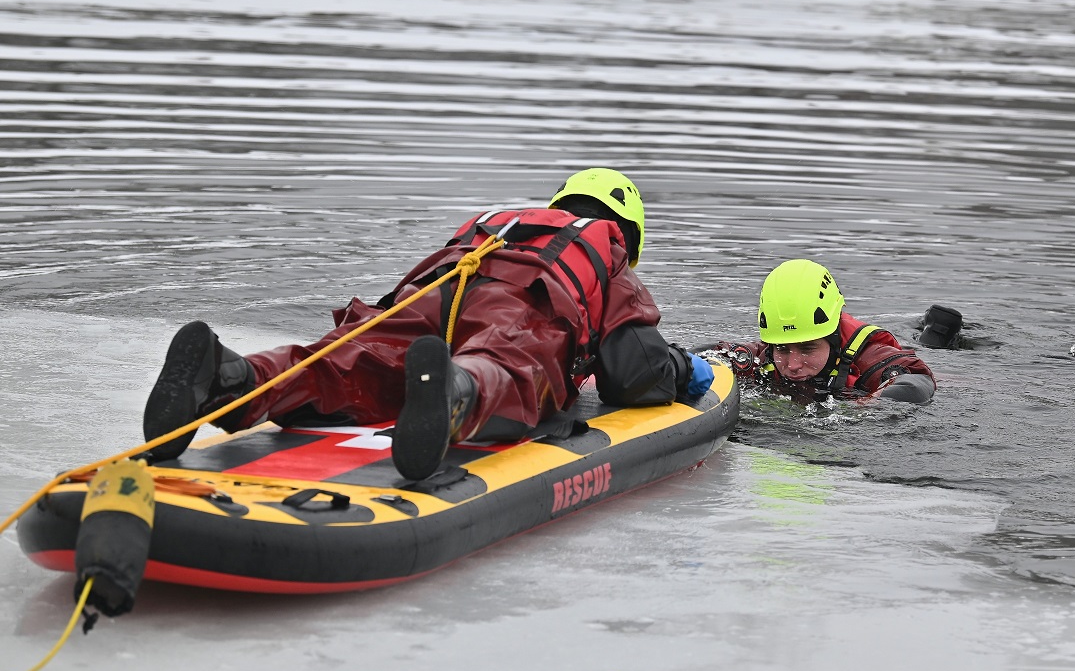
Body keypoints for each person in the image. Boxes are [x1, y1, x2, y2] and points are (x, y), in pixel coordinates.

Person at [142, 168, 715, 480]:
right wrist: (682, 370)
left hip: (433, 296)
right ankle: (456, 395)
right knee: (508, 369)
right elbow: (633, 371)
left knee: (346, 361)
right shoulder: (603, 249)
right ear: (629, 234)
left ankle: (231, 375)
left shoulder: (505, 222)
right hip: (523, 307)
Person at [708, 259, 936, 404]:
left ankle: (937, 333)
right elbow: (710, 356)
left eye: (807, 348)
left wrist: (870, 403)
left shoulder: (869, 356)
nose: (793, 364)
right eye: (782, 349)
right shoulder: (764, 356)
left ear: (834, 337)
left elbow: (915, 386)